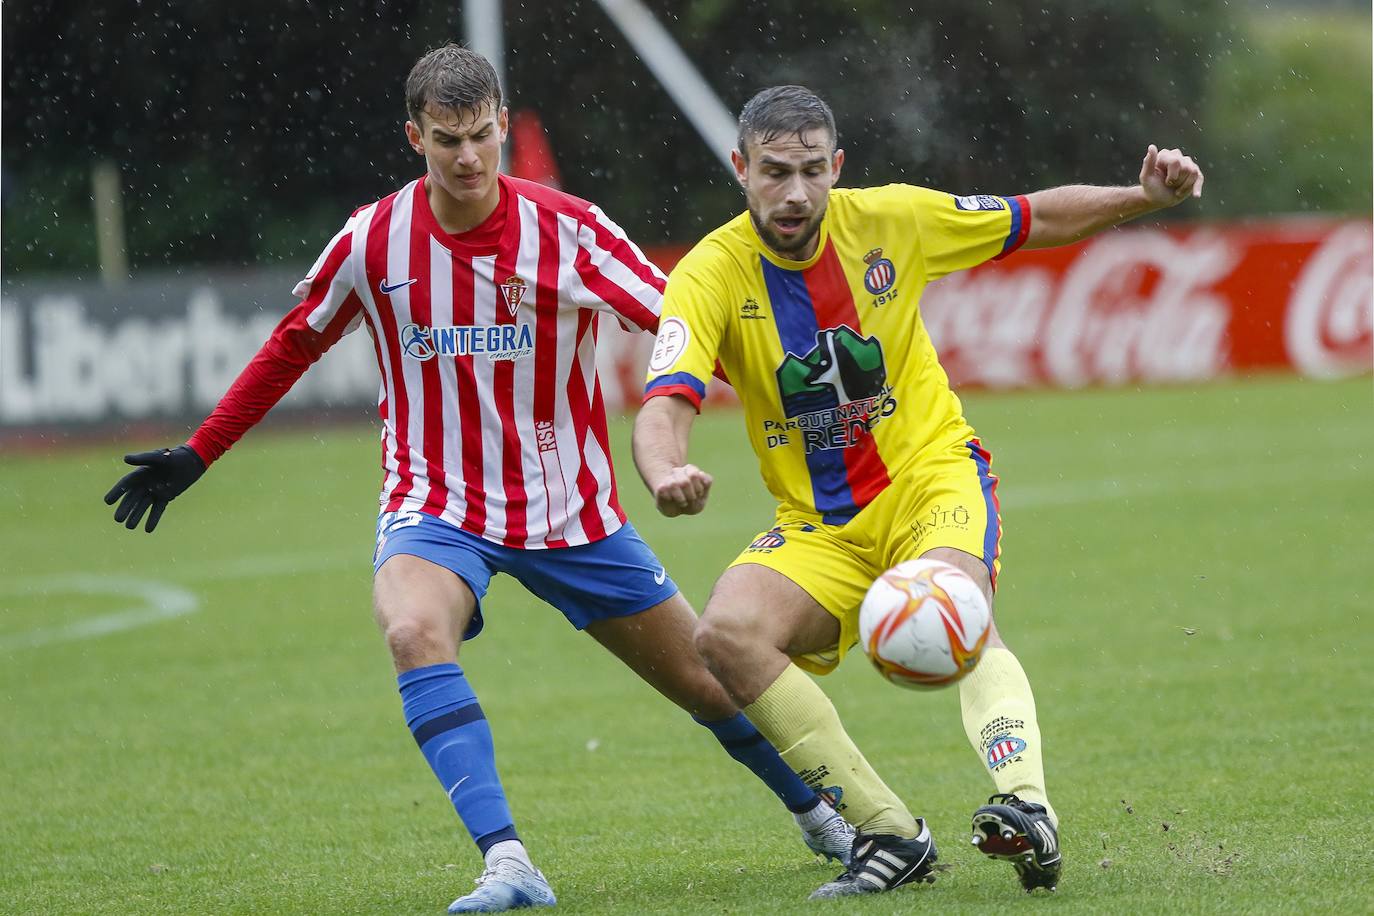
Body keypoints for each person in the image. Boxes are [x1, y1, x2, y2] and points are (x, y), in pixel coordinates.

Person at [102, 49, 861, 914]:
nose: (467, 158)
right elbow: (292, 345)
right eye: (446, 141)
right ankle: (509, 864)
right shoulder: (371, 241)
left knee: (704, 679)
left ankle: (823, 816)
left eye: (481, 136)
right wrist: (199, 452)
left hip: (569, 507)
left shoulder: (569, 229)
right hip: (435, 503)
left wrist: (797, 388)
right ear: (414, 137)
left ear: (503, 123)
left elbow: (684, 325)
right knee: (413, 632)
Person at [633, 84, 1204, 899]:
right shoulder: (708, 275)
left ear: (837, 168)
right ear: (740, 169)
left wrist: (1141, 197)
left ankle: (1026, 805)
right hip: (819, 524)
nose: (793, 194)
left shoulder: (892, 220)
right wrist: (666, 471)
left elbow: (1031, 217)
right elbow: (666, 402)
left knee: (957, 602)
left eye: (809, 172)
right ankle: (890, 832)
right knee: (725, 633)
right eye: (772, 173)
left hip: (931, 475)